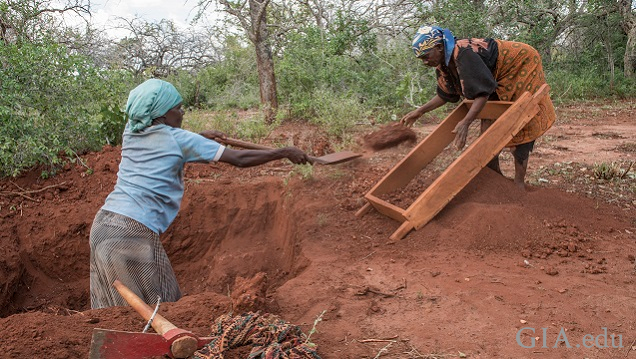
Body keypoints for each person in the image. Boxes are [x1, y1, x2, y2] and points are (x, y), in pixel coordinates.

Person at [89, 79, 309, 309]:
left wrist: (201, 136)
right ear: (163, 113)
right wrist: (284, 152)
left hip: (104, 226)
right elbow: (238, 159)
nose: (182, 112)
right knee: (162, 310)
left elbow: (165, 140)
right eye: (178, 107)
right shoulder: (180, 140)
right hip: (131, 232)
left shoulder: (132, 130)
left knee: (114, 312)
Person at [400, 25, 556, 188]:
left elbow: (483, 93)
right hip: (495, 78)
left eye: (426, 56)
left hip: (520, 65)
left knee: (521, 117)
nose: (425, 62)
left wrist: (466, 122)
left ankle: (518, 184)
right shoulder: (443, 64)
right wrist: (420, 111)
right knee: (487, 130)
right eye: (421, 59)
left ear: (439, 47)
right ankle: (494, 177)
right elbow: (446, 94)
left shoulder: (464, 53)